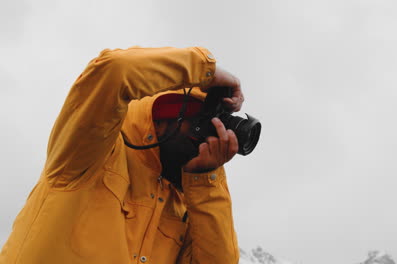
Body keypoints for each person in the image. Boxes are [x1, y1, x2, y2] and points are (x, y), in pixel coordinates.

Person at [0, 46, 242, 264]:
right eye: (202, 126)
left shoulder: (186, 207)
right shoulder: (91, 153)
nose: (209, 139)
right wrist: (204, 69)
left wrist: (206, 180)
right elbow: (115, 71)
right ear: (161, 120)